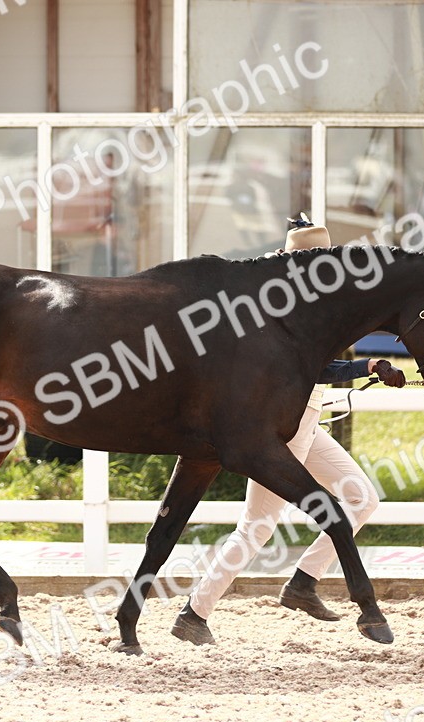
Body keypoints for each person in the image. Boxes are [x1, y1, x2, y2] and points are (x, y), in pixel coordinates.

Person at [172, 218, 407, 645]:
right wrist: (366, 367)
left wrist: (369, 365)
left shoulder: (312, 301)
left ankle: (303, 581)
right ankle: (195, 613)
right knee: (259, 525)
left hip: (307, 419)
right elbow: (314, 369)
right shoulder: (286, 305)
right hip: (285, 424)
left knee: (361, 498)